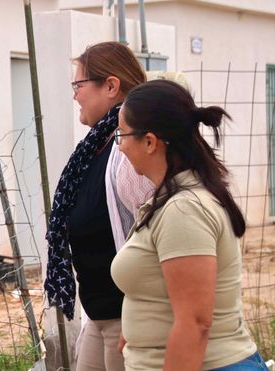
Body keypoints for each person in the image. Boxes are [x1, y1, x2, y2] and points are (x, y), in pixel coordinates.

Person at [111, 79, 267, 370]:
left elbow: (195, 323)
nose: (119, 146)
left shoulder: (184, 210)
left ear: (149, 142)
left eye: (122, 134)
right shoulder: (171, 200)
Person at [45, 41, 154, 371]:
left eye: (78, 85)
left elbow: (154, 238)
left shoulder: (128, 152)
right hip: (99, 313)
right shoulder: (92, 149)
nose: (74, 95)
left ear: (110, 86)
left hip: (127, 318)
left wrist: (138, 322)